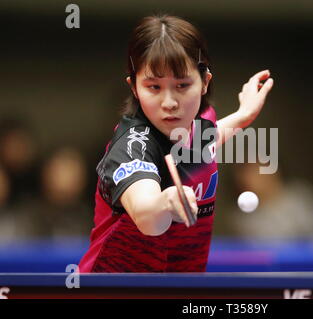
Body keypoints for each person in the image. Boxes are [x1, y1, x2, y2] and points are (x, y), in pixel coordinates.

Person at [79, 14, 273, 272]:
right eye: (154, 87)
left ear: (204, 82)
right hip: (113, 292)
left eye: (182, 85)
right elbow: (147, 215)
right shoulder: (132, 147)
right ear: (134, 88)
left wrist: (242, 116)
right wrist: (165, 202)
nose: (169, 102)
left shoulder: (201, 121)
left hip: (180, 289)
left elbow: (203, 141)